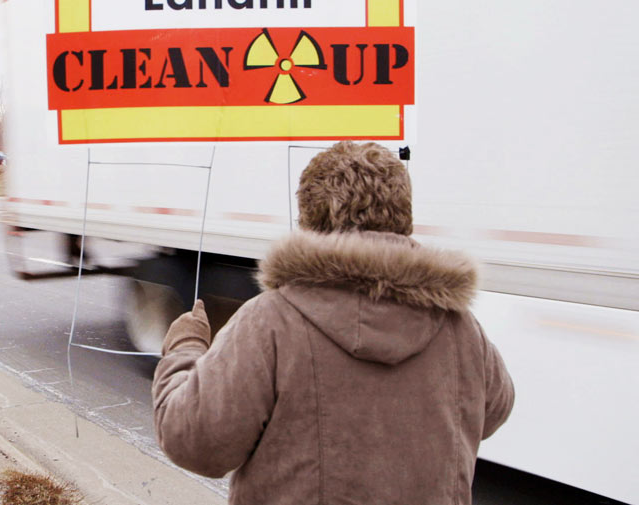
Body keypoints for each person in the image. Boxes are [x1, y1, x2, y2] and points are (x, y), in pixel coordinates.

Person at [153, 141, 514, 505]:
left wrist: (185, 348)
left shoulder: (273, 320)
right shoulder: (461, 328)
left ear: (310, 219)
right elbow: (495, 410)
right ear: (403, 217)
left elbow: (196, 442)